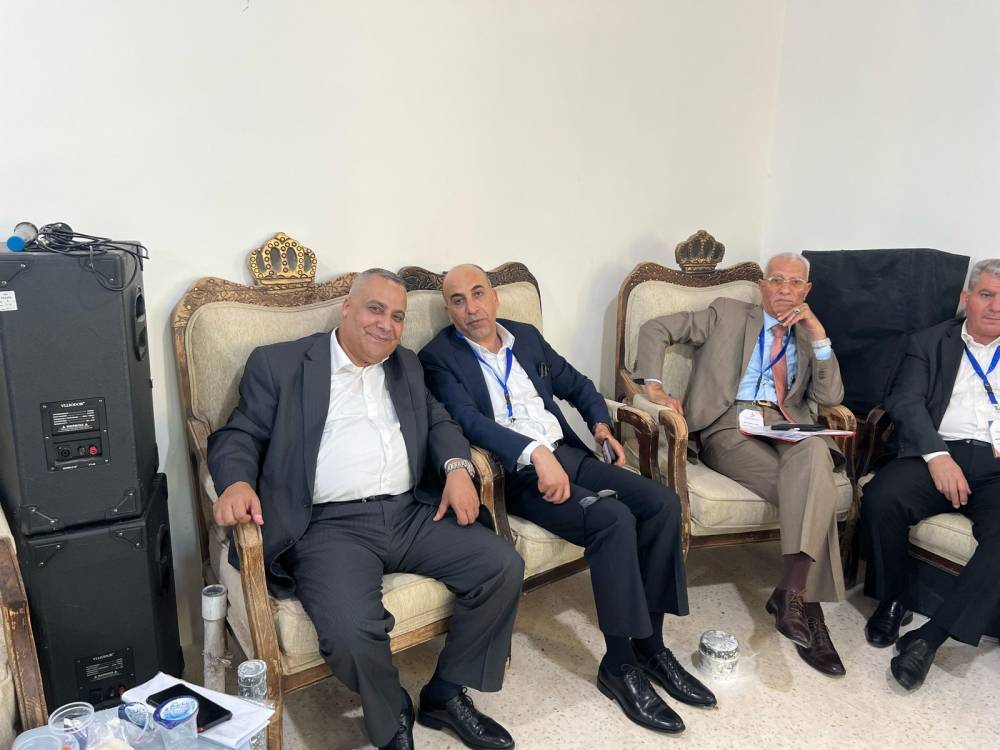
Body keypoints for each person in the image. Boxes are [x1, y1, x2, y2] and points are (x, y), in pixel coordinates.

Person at [208, 269, 523, 749]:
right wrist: (235, 483)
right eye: (376, 309)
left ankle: (445, 694)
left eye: (397, 316)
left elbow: (439, 420)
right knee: (350, 630)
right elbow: (240, 434)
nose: (386, 325)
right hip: (327, 527)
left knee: (502, 566)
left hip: (411, 511)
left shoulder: (406, 364)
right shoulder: (280, 364)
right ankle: (390, 709)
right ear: (347, 308)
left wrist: (458, 468)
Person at [419, 264, 711, 736]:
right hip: (517, 474)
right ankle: (620, 665)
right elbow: (469, 421)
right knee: (612, 519)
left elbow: (576, 384)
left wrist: (600, 424)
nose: (471, 308)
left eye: (477, 294)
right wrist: (534, 454)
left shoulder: (526, 337)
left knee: (662, 504)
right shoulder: (438, 358)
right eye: (457, 300)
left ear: (494, 297)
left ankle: (651, 646)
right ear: (448, 310)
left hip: (568, 454)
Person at [634, 252, 848, 676]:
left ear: (806, 290)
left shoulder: (808, 335)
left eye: (795, 283)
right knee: (815, 491)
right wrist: (654, 387)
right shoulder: (727, 313)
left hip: (787, 424)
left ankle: (789, 592)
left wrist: (819, 336)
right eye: (776, 280)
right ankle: (811, 614)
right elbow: (655, 328)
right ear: (762, 286)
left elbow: (829, 398)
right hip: (730, 425)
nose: (785, 289)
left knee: (816, 453)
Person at [862, 258, 1000, 690]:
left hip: (997, 466)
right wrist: (937, 455)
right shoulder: (930, 342)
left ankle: (929, 638)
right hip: (939, 450)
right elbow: (906, 400)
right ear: (966, 297)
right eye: (987, 294)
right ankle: (894, 598)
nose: (996, 306)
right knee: (882, 498)